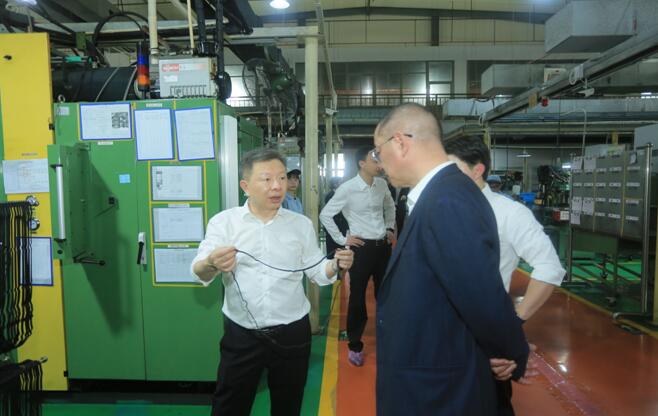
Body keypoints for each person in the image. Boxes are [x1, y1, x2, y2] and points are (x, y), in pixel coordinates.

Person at [372, 103, 529, 416]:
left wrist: (511, 352)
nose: (378, 162)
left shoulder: (447, 200)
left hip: (440, 391)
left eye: (378, 151)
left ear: (400, 142)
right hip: (433, 370)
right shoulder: (440, 195)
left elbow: (480, 294)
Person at [190, 148, 354, 416]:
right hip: (242, 333)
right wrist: (211, 262)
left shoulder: (300, 225)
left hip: (292, 332)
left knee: (288, 405)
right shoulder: (224, 223)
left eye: (281, 178)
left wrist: (335, 265)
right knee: (229, 405)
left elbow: (316, 271)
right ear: (245, 186)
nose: (277, 186)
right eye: (266, 179)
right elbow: (198, 271)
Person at [444, 135, 566, 416]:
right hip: (443, 331)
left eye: (452, 168)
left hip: (485, 331)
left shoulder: (509, 213)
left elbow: (549, 267)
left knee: (490, 403)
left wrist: (513, 322)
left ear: (477, 170)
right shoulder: (440, 209)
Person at [319, 147, 396, 367]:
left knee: (387, 295)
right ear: (362, 164)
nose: (380, 165)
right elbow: (326, 215)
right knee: (357, 297)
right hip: (361, 250)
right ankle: (355, 345)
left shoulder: (381, 185)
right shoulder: (348, 188)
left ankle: (389, 339)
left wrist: (390, 228)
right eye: (375, 161)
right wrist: (343, 239)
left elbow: (390, 206)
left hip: (382, 248)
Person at [323, 177, 349, 258]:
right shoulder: (330, 195)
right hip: (334, 226)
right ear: (335, 184)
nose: (343, 184)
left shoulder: (338, 194)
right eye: (341, 182)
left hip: (340, 226)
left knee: (340, 248)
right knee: (332, 249)